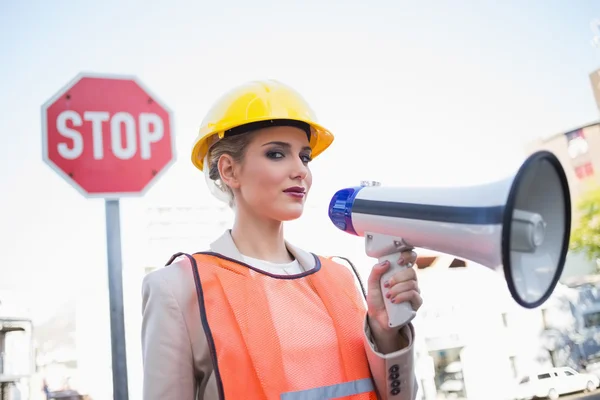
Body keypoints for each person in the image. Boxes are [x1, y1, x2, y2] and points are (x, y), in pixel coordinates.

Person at [141, 80, 423, 400]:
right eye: (276, 154)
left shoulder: (340, 277)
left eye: (305, 157)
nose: (299, 170)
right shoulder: (178, 288)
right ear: (229, 170)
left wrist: (386, 334)